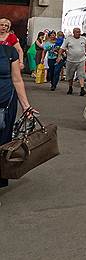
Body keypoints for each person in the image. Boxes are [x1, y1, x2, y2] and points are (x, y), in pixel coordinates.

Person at [0, 42, 36, 189]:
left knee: (2, 146)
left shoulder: (9, 52)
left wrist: (26, 106)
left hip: (6, 105)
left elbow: (17, 80)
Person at [59, 27, 86, 96]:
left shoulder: (83, 39)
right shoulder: (68, 39)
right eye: (77, 32)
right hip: (70, 60)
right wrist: (59, 56)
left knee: (81, 74)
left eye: (79, 32)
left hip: (81, 60)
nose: (79, 33)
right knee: (70, 75)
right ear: (74, 33)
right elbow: (62, 48)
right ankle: (70, 87)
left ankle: (82, 89)